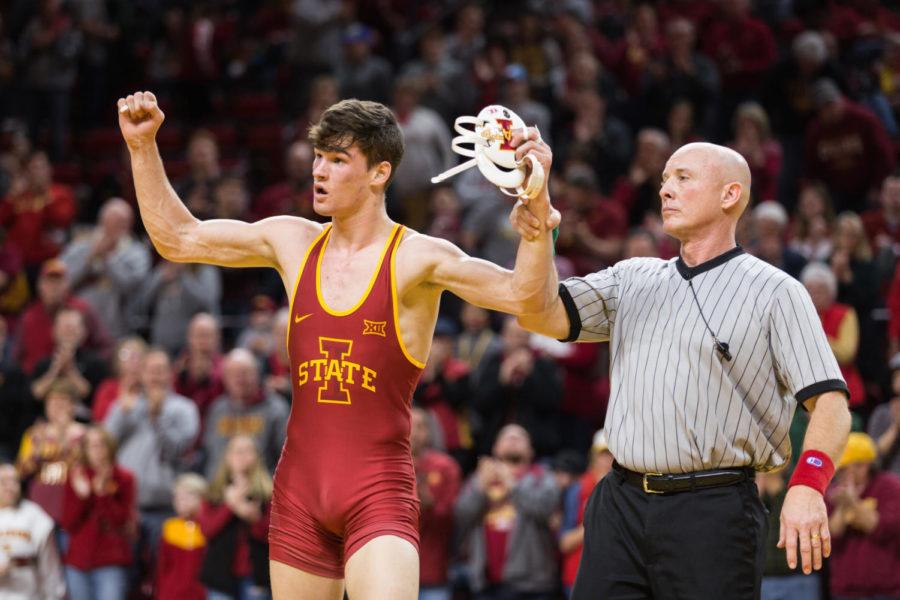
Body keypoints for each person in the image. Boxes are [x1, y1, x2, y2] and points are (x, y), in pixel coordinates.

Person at [117, 89, 554, 600]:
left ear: (379, 173)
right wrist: (143, 146)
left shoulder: (418, 258)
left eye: (338, 160)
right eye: (318, 158)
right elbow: (178, 238)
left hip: (378, 493)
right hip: (299, 491)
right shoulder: (292, 241)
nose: (318, 171)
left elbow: (527, 299)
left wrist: (537, 219)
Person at [512, 141, 852, 599]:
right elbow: (538, 313)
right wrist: (538, 220)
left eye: (683, 178)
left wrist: (808, 487)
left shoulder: (776, 292)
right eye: (664, 180)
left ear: (730, 195)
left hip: (713, 509)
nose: (665, 191)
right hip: (620, 502)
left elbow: (830, 403)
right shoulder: (632, 276)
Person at [454, 424, 561, 600]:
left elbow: (544, 509)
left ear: (531, 450)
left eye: (519, 437)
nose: (512, 440)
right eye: (506, 437)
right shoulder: (480, 478)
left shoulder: (543, 477)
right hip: (487, 584)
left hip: (533, 585)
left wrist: (510, 482)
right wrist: (481, 486)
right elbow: (462, 515)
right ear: (495, 448)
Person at [59, 426, 136, 600]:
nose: (97, 450)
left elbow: (120, 521)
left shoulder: (124, 478)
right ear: (84, 450)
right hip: (78, 561)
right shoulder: (76, 476)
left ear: (110, 447)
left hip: (110, 560)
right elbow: (68, 523)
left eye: (101, 444)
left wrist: (102, 495)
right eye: (91, 445)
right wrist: (83, 497)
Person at [826, 432, 900, 600]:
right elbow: (832, 538)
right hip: (846, 590)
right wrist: (841, 507)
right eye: (840, 469)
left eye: (846, 468)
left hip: (886, 590)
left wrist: (851, 503)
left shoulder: (890, 487)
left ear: (865, 465)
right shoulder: (834, 492)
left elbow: (881, 528)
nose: (842, 474)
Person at [198, 435, 272, 600]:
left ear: (257, 457)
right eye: (237, 451)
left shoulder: (268, 493)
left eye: (247, 451)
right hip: (220, 575)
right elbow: (207, 530)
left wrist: (253, 518)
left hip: (257, 575)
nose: (242, 455)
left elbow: (276, 534)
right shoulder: (213, 492)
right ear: (227, 456)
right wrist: (230, 506)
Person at [410, 406, 461, 600]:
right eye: (409, 424)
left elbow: (454, 518)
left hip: (433, 571)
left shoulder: (445, 467)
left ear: (429, 432)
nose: (414, 431)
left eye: (420, 426)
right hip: (391, 571)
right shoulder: (384, 464)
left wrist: (429, 505)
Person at [0, 461, 66, 600]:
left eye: (14, 481)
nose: (9, 487)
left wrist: (54, 595)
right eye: (3, 482)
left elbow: (50, 566)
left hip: (27, 592)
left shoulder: (35, 515)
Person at [559, 430, 613, 599]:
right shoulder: (578, 489)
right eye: (603, 454)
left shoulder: (628, 490)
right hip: (579, 578)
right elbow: (564, 542)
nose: (608, 460)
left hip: (615, 579)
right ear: (593, 456)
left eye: (612, 454)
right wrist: (596, 522)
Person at [156, 473, 208, 600]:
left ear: (202, 499)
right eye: (178, 497)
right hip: (171, 594)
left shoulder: (208, 527)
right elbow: (162, 567)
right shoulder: (169, 527)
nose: (181, 501)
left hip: (200, 594)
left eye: (188, 496)